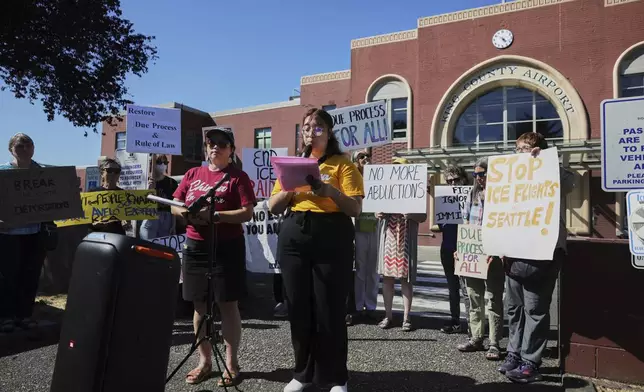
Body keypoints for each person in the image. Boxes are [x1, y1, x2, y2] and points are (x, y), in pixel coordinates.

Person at [269, 108, 363, 392]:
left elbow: (355, 208)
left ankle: (338, 377)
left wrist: (330, 192)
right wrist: (289, 189)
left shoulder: (343, 165)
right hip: (295, 233)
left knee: (330, 309)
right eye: (307, 127)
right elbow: (273, 206)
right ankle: (302, 373)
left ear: (329, 131)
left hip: (331, 234)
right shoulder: (291, 164)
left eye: (318, 126)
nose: (311, 131)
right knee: (298, 307)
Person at [171, 127, 256, 387]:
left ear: (231, 150)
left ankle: (231, 364)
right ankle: (204, 361)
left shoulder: (237, 177)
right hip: (196, 247)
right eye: (211, 142)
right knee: (200, 304)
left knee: (227, 304)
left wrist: (216, 216)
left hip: (226, 247)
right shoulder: (192, 174)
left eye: (222, 143)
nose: (215, 147)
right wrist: (185, 214)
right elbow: (175, 203)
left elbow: (247, 212)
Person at [498, 132, 575, 383]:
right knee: (514, 308)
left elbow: (569, 182)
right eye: (517, 148)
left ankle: (531, 361)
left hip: (543, 253)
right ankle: (514, 354)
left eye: (525, 148)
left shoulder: (552, 172)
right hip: (514, 252)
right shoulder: (511, 175)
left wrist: (545, 161)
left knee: (535, 309)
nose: (519, 153)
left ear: (539, 150)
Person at [456, 157, 505, 361]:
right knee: (474, 296)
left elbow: (504, 225)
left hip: (493, 254)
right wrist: (461, 248)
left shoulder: (501, 195)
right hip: (473, 254)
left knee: (493, 298)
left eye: (482, 174)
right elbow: (466, 222)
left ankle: (494, 342)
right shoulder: (471, 194)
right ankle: (476, 337)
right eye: (475, 175)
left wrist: (498, 251)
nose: (478, 178)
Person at [0, 133, 48, 333]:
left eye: (29, 145)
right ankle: (5, 317)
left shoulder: (44, 173)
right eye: (20, 146)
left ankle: (24, 315)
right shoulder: (2, 172)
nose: (25, 149)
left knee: (30, 275)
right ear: (11, 149)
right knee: (8, 276)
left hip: (34, 232)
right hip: (8, 233)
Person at [376, 157, 427, 332]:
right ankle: (388, 315)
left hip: (405, 237)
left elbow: (423, 217)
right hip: (389, 236)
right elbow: (376, 210)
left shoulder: (415, 190)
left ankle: (406, 317)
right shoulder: (386, 190)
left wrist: (411, 214)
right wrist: (379, 213)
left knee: (406, 279)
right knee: (388, 278)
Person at [438, 165, 469, 334]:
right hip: (447, 248)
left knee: (468, 289)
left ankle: (473, 323)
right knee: (452, 287)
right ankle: (455, 320)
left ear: (464, 179)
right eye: (448, 181)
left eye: (455, 180)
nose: (452, 184)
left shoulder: (472, 197)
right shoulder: (443, 199)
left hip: (466, 248)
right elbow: (442, 226)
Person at [351, 150, 379, 323]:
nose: (365, 159)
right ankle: (357, 305)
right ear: (355, 161)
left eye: (367, 156)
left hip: (375, 226)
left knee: (373, 269)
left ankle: (371, 306)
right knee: (360, 268)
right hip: (359, 226)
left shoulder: (377, 178)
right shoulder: (353, 178)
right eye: (361, 157)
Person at [140, 154, 178, 240]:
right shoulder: (145, 181)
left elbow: (174, 205)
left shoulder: (172, 183)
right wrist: (148, 189)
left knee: (162, 249)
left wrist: (173, 225)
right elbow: (140, 203)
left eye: (165, 162)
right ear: (152, 164)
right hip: (150, 216)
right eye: (159, 162)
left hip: (166, 219)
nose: (163, 165)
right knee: (148, 247)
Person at [88, 158, 130, 235]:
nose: (113, 174)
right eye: (109, 170)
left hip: (117, 236)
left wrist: (127, 223)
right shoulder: (91, 193)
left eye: (117, 171)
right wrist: (92, 224)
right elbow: (85, 218)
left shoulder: (124, 194)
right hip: (96, 236)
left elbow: (127, 218)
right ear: (102, 173)